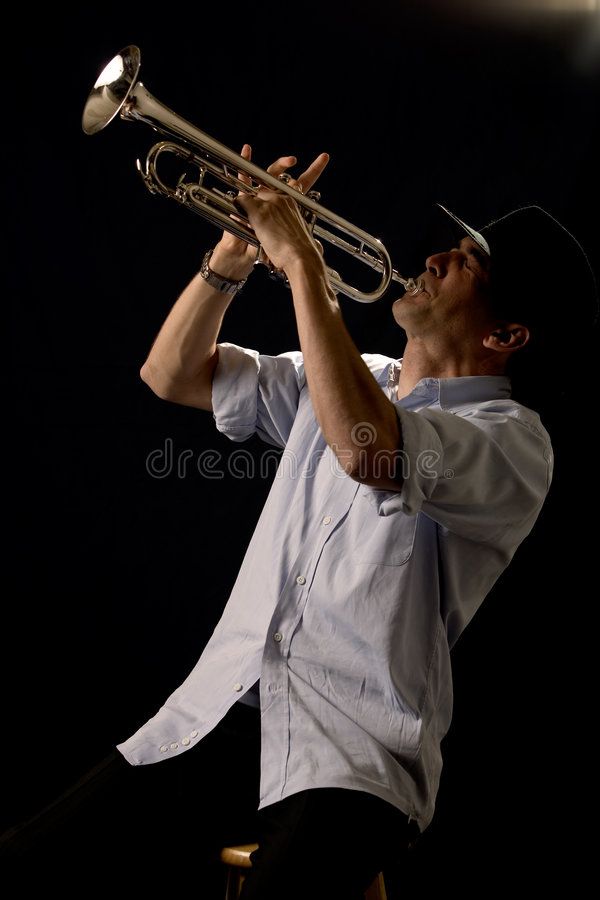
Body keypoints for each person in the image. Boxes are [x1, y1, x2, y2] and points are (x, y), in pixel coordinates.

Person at [1, 145, 596, 898]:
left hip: (354, 759)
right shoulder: (356, 376)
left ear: (507, 336)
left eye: (468, 263)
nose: (437, 257)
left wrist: (307, 268)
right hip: (224, 709)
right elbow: (172, 374)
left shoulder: (514, 443)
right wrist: (235, 256)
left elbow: (366, 447)